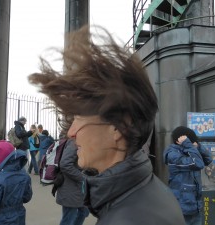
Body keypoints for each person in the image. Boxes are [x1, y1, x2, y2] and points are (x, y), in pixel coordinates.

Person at [28, 25, 186, 225]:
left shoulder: (127, 219)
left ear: (119, 128)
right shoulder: (145, 194)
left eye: (80, 120)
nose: (71, 132)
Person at [163, 126, 212, 225]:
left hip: (195, 208)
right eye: (190, 141)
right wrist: (189, 146)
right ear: (179, 141)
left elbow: (208, 159)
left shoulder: (191, 151)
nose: (192, 144)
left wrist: (197, 146)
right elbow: (198, 163)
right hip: (181, 209)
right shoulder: (172, 154)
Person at [55, 121, 89, 225]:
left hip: (76, 188)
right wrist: (81, 177)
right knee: (69, 218)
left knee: (83, 212)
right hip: (71, 188)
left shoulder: (79, 141)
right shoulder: (74, 142)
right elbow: (65, 164)